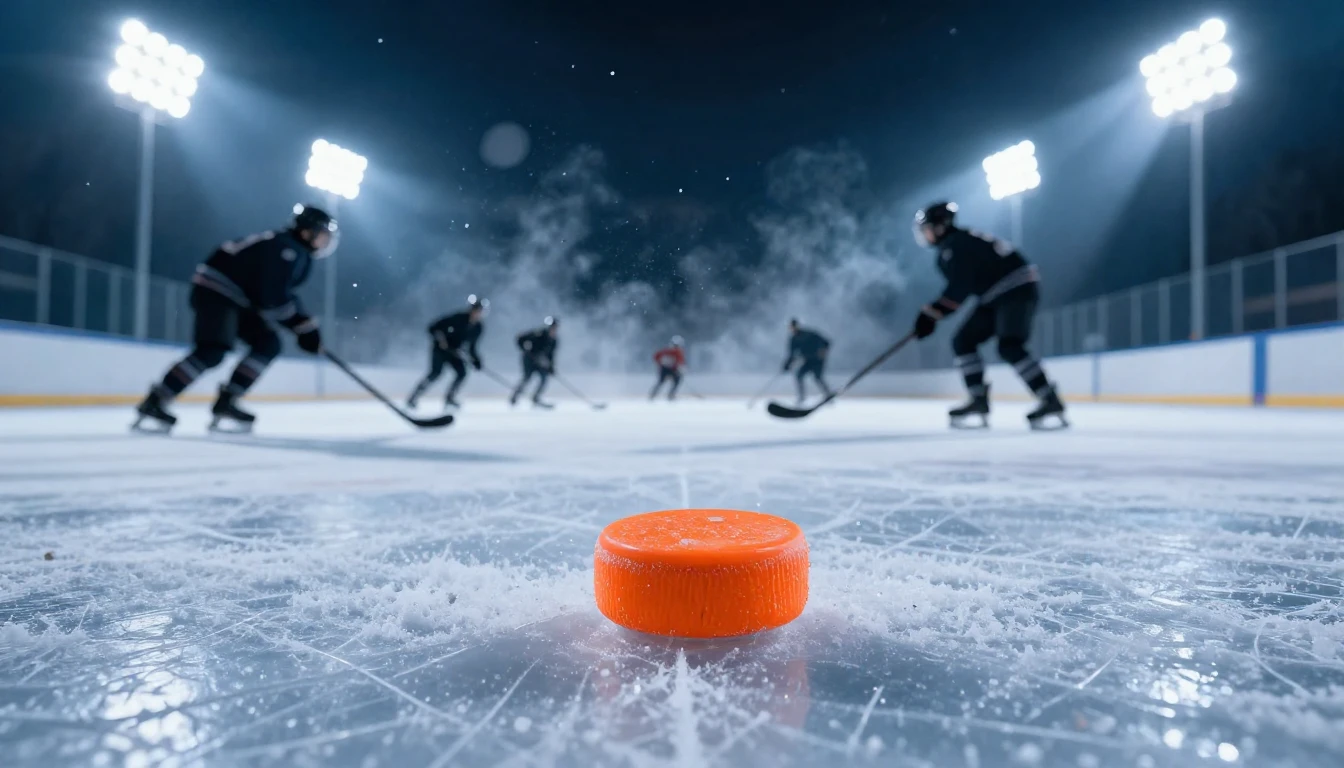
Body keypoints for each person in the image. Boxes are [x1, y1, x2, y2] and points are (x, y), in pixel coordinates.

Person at [132, 204, 338, 433]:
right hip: (219, 292)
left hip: (235, 298)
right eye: (323, 235)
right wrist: (301, 326)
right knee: (212, 350)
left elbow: (274, 295)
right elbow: (272, 297)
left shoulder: (286, 247)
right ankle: (156, 401)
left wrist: (303, 326)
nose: (326, 241)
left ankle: (227, 402)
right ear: (307, 231)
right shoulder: (286, 250)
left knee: (267, 344)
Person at [911, 201, 1067, 429]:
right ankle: (978, 400)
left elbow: (959, 289)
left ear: (940, 226)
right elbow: (962, 289)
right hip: (997, 294)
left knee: (1010, 345)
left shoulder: (954, 247)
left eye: (926, 228)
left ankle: (1050, 399)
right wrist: (932, 314)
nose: (924, 235)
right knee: (963, 341)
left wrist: (931, 314)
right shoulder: (959, 243)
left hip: (1014, 289)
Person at [407, 295, 487, 410]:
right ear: (471, 309)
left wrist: (476, 360)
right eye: (476, 310)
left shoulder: (478, 328)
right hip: (440, 350)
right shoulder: (457, 318)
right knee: (435, 373)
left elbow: (472, 347)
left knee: (462, 373)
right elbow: (433, 327)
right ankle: (413, 397)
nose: (477, 314)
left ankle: (450, 398)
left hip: (454, 352)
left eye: (480, 311)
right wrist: (441, 340)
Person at [511, 315, 558, 408]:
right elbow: (520, 338)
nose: (554, 330)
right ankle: (515, 397)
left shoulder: (553, 341)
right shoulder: (539, 334)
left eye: (555, 328)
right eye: (552, 327)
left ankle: (535, 397)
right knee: (527, 378)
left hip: (540, 362)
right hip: (529, 360)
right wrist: (524, 349)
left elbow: (551, 355)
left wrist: (551, 366)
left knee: (544, 378)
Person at [782, 318, 833, 404]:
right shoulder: (793, 339)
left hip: (817, 360)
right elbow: (792, 354)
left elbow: (826, 342)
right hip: (807, 361)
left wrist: (823, 351)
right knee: (799, 375)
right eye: (791, 327)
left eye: (794, 326)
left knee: (818, 377)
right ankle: (802, 397)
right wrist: (787, 364)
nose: (792, 329)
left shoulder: (810, 334)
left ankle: (828, 396)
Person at [650, 336, 686, 400]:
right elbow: (680, 361)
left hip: (669, 369)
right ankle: (656, 394)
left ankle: (667, 395)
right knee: (665, 382)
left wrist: (660, 363)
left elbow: (656, 357)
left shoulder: (666, 351)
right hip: (668, 369)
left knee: (672, 382)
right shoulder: (672, 351)